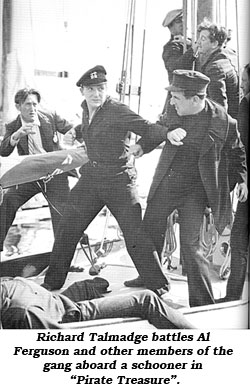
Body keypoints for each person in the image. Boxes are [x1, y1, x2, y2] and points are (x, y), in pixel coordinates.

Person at [42, 65, 170, 293]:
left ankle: (158, 284)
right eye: (91, 89)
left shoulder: (117, 110)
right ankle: (52, 283)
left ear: (106, 89)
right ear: (82, 90)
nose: (96, 94)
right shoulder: (86, 108)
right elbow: (97, 127)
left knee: (134, 234)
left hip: (119, 179)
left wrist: (142, 145)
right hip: (91, 178)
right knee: (67, 227)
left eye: (100, 88)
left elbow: (153, 129)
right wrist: (77, 131)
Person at [126, 70, 247, 308]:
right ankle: (154, 280)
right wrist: (145, 144)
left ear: (196, 99)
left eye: (177, 98)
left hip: (197, 191)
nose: (172, 102)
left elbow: (237, 151)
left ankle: (202, 304)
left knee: (191, 248)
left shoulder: (224, 121)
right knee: (147, 232)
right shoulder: (174, 110)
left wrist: (242, 178)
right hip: (168, 182)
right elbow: (158, 127)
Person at [0, 88, 77, 255]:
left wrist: (74, 137)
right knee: (8, 201)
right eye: (28, 104)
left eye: (35, 104)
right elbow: (3, 151)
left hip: (54, 173)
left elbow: (73, 130)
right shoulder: (13, 125)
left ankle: (63, 258)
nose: (33, 108)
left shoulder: (50, 117)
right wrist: (16, 136)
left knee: (61, 214)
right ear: (18, 106)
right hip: (30, 174)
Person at [0, 277, 195, 329]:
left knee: (147, 299)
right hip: (67, 312)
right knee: (146, 299)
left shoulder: (14, 299)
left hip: (55, 302)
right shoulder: (21, 311)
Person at [222, 63, 249, 301]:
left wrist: (238, 181)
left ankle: (232, 297)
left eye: (244, 80)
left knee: (239, 240)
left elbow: (241, 147)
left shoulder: (245, 105)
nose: (241, 85)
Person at [177, 19, 239, 119]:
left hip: (224, 124)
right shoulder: (224, 55)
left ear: (214, 44)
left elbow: (219, 108)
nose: (198, 43)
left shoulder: (214, 69)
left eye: (203, 39)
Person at [162, 9, 192, 84]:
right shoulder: (171, 47)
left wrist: (190, 44)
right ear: (170, 28)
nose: (183, 23)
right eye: (178, 21)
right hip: (179, 93)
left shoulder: (191, 43)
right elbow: (176, 67)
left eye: (183, 20)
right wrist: (192, 49)